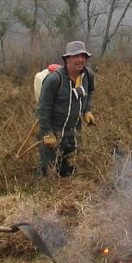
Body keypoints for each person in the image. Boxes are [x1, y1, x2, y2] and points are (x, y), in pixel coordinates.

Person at [37, 40, 95, 177]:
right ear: (67, 59)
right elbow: (43, 109)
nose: (80, 60)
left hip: (74, 132)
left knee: (70, 171)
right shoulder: (54, 80)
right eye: (76, 56)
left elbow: (90, 91)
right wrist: (47, 133)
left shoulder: (88, 76)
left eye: (83, 56)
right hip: (54, 132)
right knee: (48, 172)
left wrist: (87, 110)